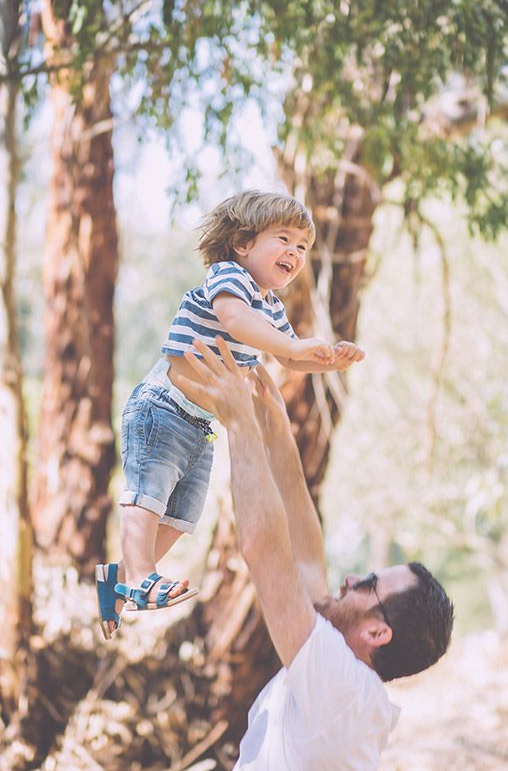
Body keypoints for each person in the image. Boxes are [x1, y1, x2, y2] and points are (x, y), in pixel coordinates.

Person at [177, 337, 455, 771]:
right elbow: (305, 560)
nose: (352, 579)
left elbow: (266, 552)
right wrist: (278, 434)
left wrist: (239, 422)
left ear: (377, 633)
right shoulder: (346, 681)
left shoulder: (341, 690)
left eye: (368, 585)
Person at [95, 191, 365, 638]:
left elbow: (289, 356)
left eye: (302, 247)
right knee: (150, 492)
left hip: (200, 426)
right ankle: (141, 575)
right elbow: (238, 323)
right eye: (284, 239)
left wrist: (323, 358)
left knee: (182, 515)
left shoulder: (271, 307)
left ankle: (118, 581)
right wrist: (293, 346)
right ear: (243, 243)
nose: (295, 253)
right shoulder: (229, 277)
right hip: (162, 406)